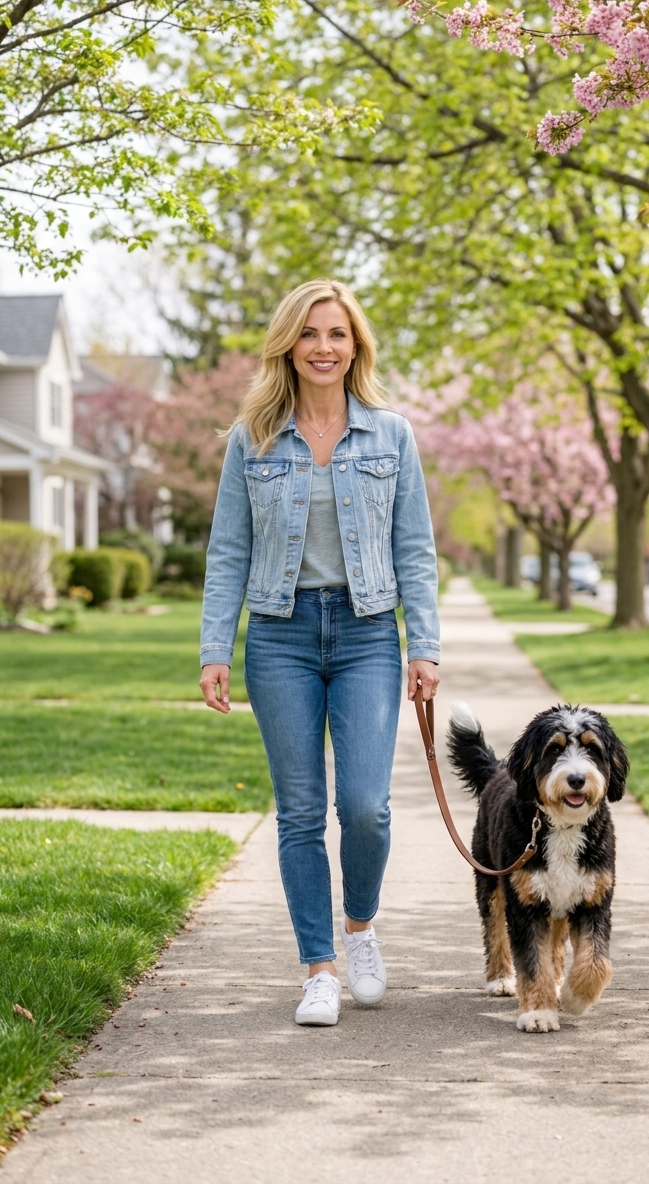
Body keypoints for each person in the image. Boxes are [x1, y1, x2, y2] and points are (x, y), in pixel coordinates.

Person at [199, 280, 440, 1027]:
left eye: (336, 334)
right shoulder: (254, 438)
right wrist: (215, 646)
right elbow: (228, 550)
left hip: (369, 632)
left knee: (364, 807)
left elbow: (414, 550)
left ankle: (360, 929)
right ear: (288, 346)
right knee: (300, 812)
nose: (323, 347)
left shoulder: (391, 435)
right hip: (280, 635)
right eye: (309, 335)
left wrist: (423, 645)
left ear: (355, 346)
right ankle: (319, 969)